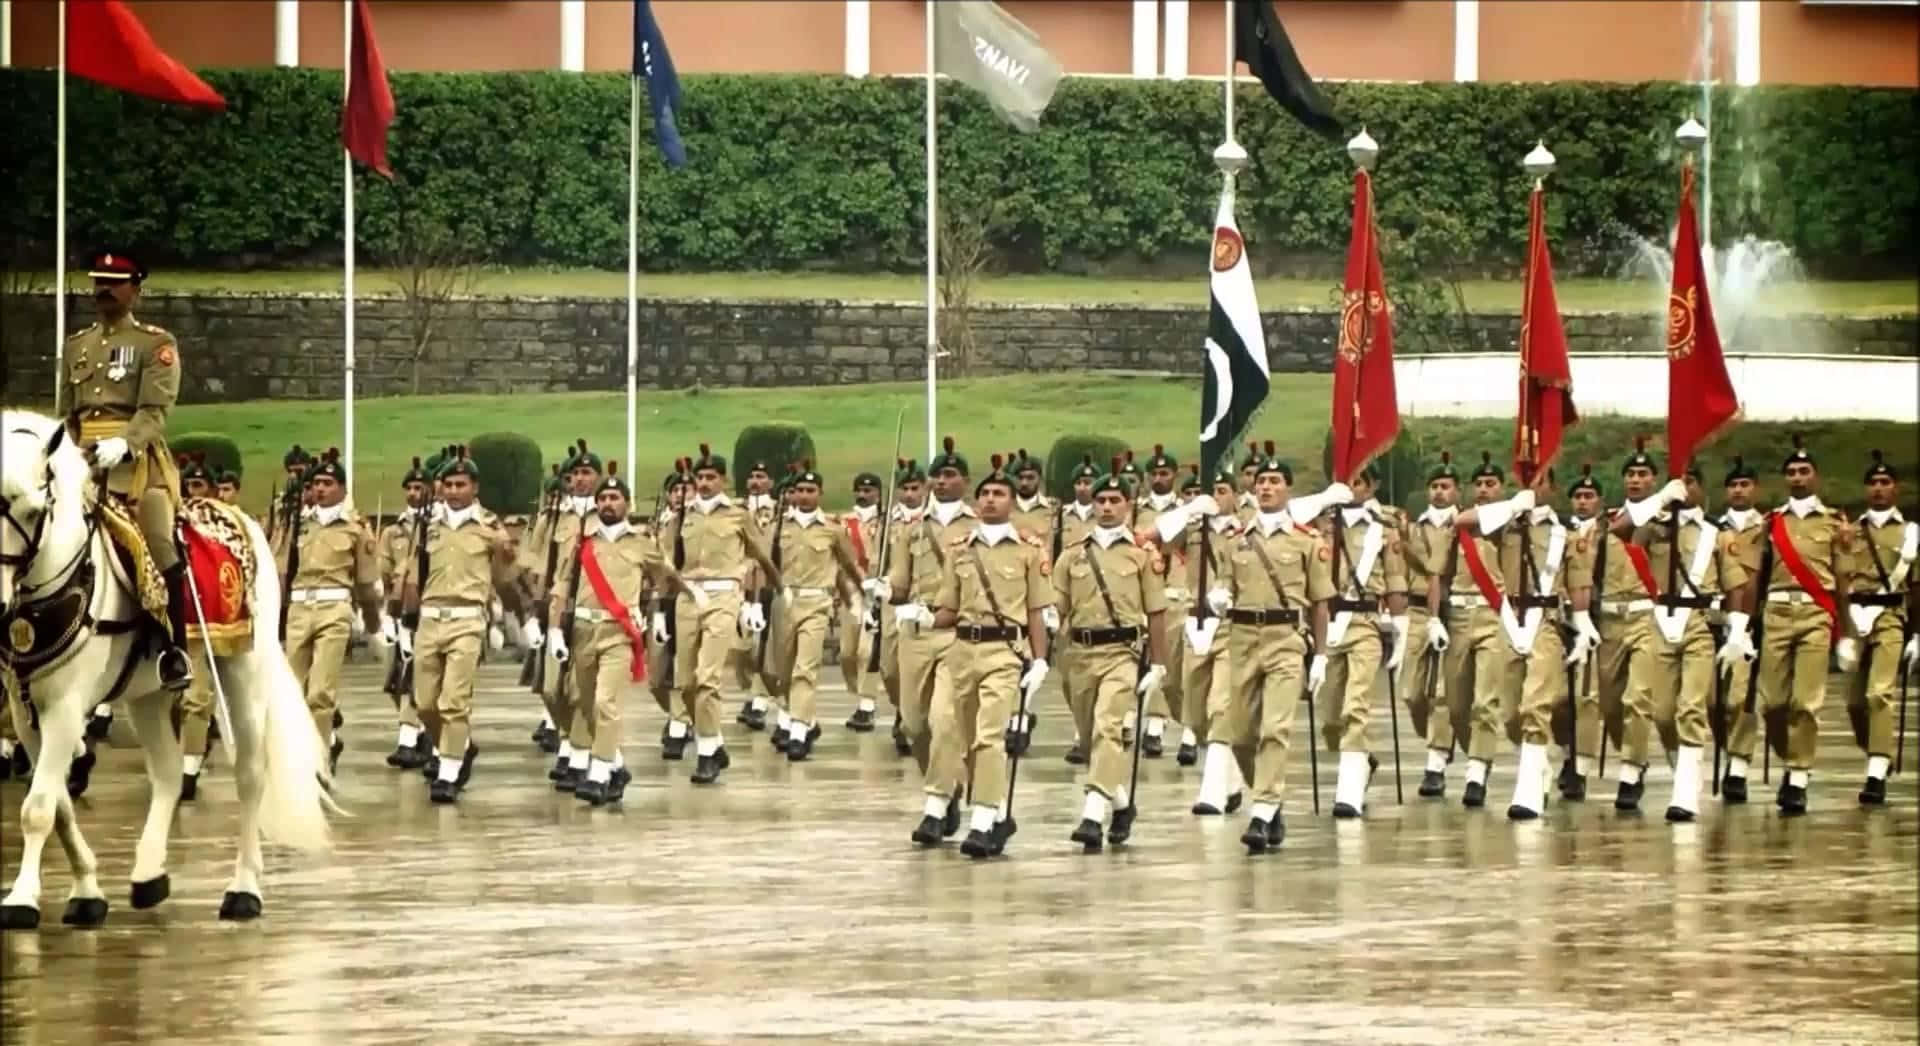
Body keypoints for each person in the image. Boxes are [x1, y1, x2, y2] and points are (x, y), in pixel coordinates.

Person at [63, 251, 190, 691]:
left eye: (114, 282)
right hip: (80, 463)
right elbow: (67, 414)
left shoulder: (155, 344)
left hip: (135, 465)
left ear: (135, 288)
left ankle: (174, 649)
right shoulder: (76, 345)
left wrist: (125, 443)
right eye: (99, 281)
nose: (104, 290)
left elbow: (156, 411)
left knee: (156, 540)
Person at [922, 456, 1052, 859]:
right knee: (945, 730)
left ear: (1012, 502)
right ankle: (947, 804)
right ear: (977, 504)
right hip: (961, 649)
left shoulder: (1030, 551)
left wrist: (1041, 659)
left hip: (1004, 652)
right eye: (986, 494)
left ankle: (982, 817)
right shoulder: (959, 550)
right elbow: (947, 608)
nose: (991, 500)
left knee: (988, 737)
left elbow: (1036, 610)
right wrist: (914, 612)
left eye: (1000, 494)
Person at [547, 463, 687, 805]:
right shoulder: (583, 543)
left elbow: (667, 578)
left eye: (615, 497)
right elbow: (562, 586)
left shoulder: (642, 542)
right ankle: (617, 766)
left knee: (605, 702)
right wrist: (553, 629)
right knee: (584, 702)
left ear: (627, 503)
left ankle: (598, 773)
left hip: (619, 633)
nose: (608, 503)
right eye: (603, 498)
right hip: (581, 631)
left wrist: (660, 612)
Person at [1627, 472, 1754, 820]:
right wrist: (1660, 501)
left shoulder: (1717, 532)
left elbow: (1736, 586)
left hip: (1700, 624)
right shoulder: (1654, 525)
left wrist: (1738, 632)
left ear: (1702, 488)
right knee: (1663, 713)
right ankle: (1684, 769)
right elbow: (1624, 534)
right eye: (1680, 482)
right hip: (1660, 621)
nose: (1687, 488)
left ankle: (1685, 794)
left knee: (1691, 706)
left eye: (1692, 482)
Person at [1054, 467, 1168, 851]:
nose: (1105, 507)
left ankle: (1091, 816)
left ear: (1128, 506)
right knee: (1091, 742)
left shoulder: (1142, 555)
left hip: (1123, 653)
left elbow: (1156, 612)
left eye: (1114, 501)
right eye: (1100, 500)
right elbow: (1056, 605)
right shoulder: (1071, 555)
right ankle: (1120, 804)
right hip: (1079, 654)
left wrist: (1159, 665)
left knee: (1108, 728)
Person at [400, 448, 515, 803]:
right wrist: (406, 620)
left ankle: (449, 771)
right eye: (448, 484)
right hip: (430, 619)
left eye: (460, 484)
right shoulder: (427, 524)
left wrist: (505, 552)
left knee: (454, 702)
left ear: (474, 487)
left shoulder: (489, 528)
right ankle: (460, 744)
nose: (452, 490)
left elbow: (506, 574)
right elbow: (413, 575)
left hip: (467, 619)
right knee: (424, 704)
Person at [885, 438, 980, 841]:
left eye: (950, 475)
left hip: (956, 633)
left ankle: (935, 805)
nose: (941, 482)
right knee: (915, 724)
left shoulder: (977, 528)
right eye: (936, 475)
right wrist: (883, 589)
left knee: (945, 720)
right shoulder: (911, 527)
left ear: (965, 481)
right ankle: (949, 784)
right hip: (916, 632)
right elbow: (900, 581)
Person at [1753, 438, 1850, 815]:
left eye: (1804, 471)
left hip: (1816, 613)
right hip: (1776, 613)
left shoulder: (1833, 523)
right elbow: (1758, 573)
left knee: (1805, 702)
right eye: (1791, 472)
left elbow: (1841, 578)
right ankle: (1790, 755)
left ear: (1816, 477)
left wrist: (1848, 629)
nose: (1797, 478)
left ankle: (1797, 776)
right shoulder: (1771, 521)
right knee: (1773, 703)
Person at [676, 444, 780, 784]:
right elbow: (665, 562)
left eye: (711, 477)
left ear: (722, 480)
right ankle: (715, 741)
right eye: (700, 477)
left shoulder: (738, 515)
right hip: (688, 597)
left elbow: (760, 557)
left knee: (708, 678)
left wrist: (761, 597)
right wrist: (660, 609)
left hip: (724, 596)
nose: (704, 483)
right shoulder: (682, 514)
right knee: (687, 684)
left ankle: (706, 753)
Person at [1314, 465, 1410, 819]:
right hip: (1331, 624)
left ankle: (1348, 794)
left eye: (1358, 482)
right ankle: (1363, 761)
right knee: (1330, 718)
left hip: (1366, 622)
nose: (1352, 489)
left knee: (1356, 706)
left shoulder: (1384, 528)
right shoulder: (1322, 524)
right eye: (1347, 482)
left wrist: (1399, 628)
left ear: (1372, 487)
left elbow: (1397, 580)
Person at [285, 449, 384, 775]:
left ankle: (318, 764)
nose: (321, 489)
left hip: (334, 609)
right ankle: (320, 744)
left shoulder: (356, 528)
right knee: (292, 692)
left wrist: (373, 624)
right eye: (317, 483)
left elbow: (367, 582)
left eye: (328, 483)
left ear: (342, 488)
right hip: (299, 609)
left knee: (320, 694)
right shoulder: (298, 523)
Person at [1427, 454, 1512, 807]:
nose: (1484, 490)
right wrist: (1435, 618)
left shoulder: (1509, 522)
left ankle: (1477, 770)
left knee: (1486, 700)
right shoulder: (1456, 527)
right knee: (1455, 703)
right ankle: (1464, 751)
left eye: (1491, 484)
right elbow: (1438, 574)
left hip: (1494, 616)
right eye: (1479, 484)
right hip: (1459, 617)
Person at [764, 464, 864, 759]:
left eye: (811, 491)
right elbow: (763, 565)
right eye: (800, 491)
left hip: (817, 603)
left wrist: (860, 598)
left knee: (804, 669)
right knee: (779, 672)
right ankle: (808, 719)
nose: (805, 496)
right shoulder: (779, 526)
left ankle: (797, 732)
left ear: (820, 493)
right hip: (785, 602)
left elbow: (849, 566)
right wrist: (754, 602)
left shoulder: (832, 530)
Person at [525, 441, 603, 791]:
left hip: (591, 609)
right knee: (550, 688)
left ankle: (579, 752)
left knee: (579, 689)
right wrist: (534, 611)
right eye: (576, 474)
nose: (581, 479)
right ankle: (570, 738)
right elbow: (541, 567)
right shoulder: (554, 517)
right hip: (556, 607)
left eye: (587, 473)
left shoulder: (609, 516)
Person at [1842, 450, 1916, 806]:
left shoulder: (1910, 532)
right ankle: (1877, 753)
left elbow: (1916, 587)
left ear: (1896, 489)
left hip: (1890, 617)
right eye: (1873, 482)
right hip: (1857, 618)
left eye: (1885, 482)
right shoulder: (1850, 531)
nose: (1878, 489)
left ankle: (1875, 773)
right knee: (1855, 703)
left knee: (1879, 693)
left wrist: (1917, 634)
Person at [1404, 455, 1460, 796]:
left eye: (1446, 487)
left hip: (1454, 611)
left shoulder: (1465, 526)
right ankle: (1437, 739)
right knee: (1412, 693)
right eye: (1435, 487)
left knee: (1442, 692)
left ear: (1457, 490)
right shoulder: (1413, 528)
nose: (1439, 493)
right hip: (1418, 610)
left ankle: (1436, 762)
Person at [379, 458, 432, 769]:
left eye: (419, 487)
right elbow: (384, 572)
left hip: (432, 608)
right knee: (400, 677)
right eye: (409, 488)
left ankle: (411, 737)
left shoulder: (436, 525)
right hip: (403, 610)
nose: (414, 493)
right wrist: (389, 613)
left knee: (423, 675)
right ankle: (415, 731)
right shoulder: (393, 531)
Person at [734, 460, 781, 732]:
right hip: (740, 583)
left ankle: (759, 700)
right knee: (739, 647)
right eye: (752, 475)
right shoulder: (734, 511)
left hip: (766, 583)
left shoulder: (781, 511)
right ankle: (751, 690)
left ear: (771, 483)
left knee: (764, 643)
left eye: (761, 476)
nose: (755, 481)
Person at [840, 471, 885, 732]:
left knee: (866, 651)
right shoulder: (844, 523)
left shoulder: (886, 521)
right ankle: (859, 693)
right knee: (847, 652)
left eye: (869, 491)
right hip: (851, 590)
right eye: (860, 490)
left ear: (877, 493)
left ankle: (867, 704)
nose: (863, 494)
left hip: (877, 590)